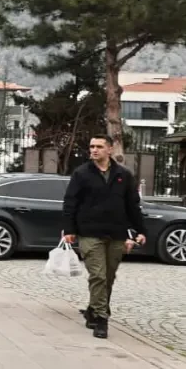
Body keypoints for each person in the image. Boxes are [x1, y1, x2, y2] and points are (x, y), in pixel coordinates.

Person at [62, 134, 146, 339]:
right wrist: (69, 229)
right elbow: (70, 203)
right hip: (89, 232)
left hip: (116, 233)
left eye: (99, 146)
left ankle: (92, 309)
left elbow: (132, 205)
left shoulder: (123, 175)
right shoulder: (81, 174)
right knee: (98, 275)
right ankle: (101, 318)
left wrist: (140, 230)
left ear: (110, 149)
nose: (94, 150)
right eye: (91, 146)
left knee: (108, 276)